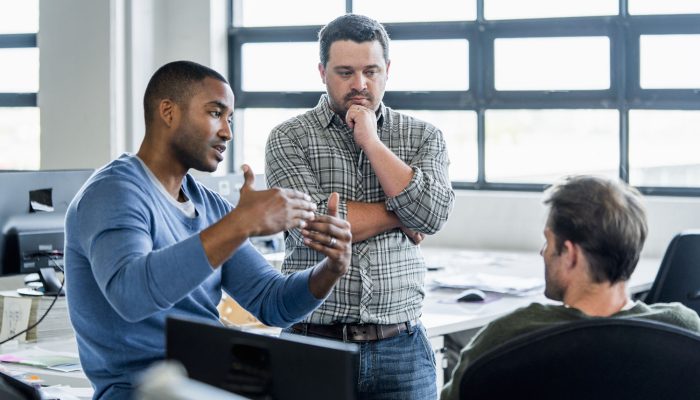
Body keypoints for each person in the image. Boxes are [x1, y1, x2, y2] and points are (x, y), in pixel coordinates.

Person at [64, 60, 352, 400]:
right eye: (215, 113)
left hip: (206, 385)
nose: (227, 131)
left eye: (229, 119)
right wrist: (242, 222)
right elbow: (132, 295)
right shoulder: (113, 192)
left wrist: (331, 268)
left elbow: (272, 302)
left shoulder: (210, 205)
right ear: (168, 112)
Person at [265, 14, 455, 399]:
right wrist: (399, 212)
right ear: (322, 72)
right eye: (345, 72)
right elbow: (317, 228)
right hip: (311, 346)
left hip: (401, 348)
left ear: (388, 70)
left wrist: (371, 141)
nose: (360, 84)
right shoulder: (289, 138)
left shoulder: (422, 136)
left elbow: (432, 215)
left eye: (371, 71)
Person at [440, 176, 700, 400]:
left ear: (570, 254)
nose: (543, 252)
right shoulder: (684, 330)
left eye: (548, 242)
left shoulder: (507, 337)